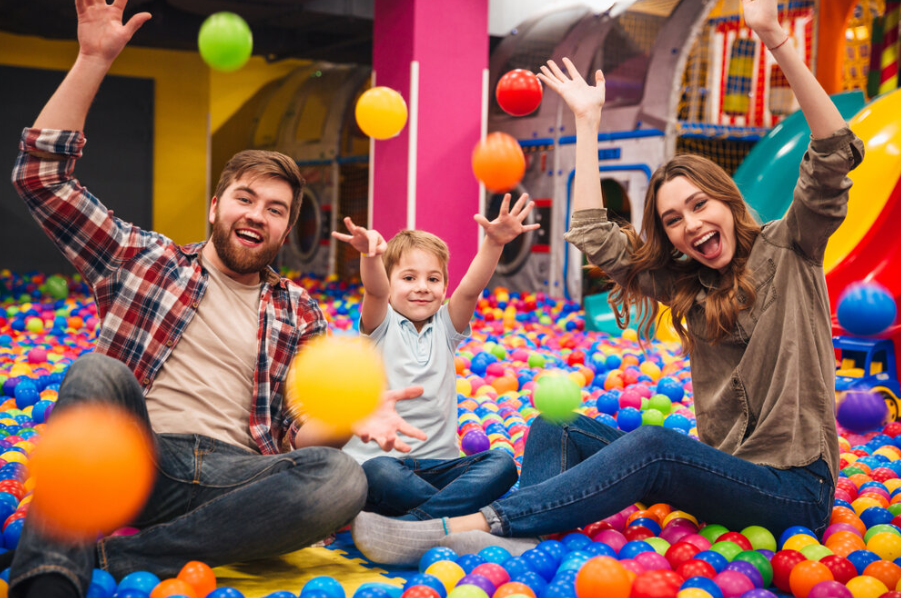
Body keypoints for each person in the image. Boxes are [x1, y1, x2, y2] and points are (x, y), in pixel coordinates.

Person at [350, 0, 865, 566]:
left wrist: (772, 36)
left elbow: (833, 151)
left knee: (653, 445)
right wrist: (587, 123)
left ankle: (468, 524)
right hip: (729, 475)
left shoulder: (790, 248)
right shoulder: (687, 284)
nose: (691, 225)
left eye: (699, 205)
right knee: (555, 423)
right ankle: (521, 532)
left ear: (727, 199)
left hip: (793, 489)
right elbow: (599, 239)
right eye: (672, 220)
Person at [7, 1, 425, 596]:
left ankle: (125, 558)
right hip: (135, 455)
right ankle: (49, 579)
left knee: (340, 478)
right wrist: (92, 59)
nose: (257, 215)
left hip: (237, 474)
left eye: (275, 210)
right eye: (246, 198)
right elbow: (41, 179)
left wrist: (348, 414)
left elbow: (299, 433)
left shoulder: (298, 311)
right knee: (98, 370)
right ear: (215, 207)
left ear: (284, 232)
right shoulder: (143, 258)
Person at [331, 195, 538, 524]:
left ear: (443, 287)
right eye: (409, 278)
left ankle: (421, 523)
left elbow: (470, 289)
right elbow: (375, 291)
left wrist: (494, 242)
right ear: (391, 281)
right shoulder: (380, 324)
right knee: (377, 472)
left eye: (433, 279)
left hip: (438, 470)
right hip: (384, 467)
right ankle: (456, 517)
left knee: (502, 463)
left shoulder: (445, 327)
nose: (422, 288)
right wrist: (371, 257)